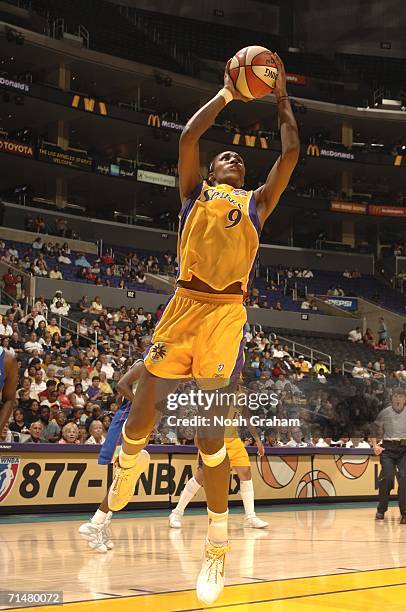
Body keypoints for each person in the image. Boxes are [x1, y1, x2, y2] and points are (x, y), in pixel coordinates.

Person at [106, 52, 299, 604]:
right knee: (142, 415)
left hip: (226, 314)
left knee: (210, 439)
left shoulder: (257, 203)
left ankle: (217, 546)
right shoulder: (195, 195)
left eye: (238, 156)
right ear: (211, 173)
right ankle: (128, 463)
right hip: (183, 305)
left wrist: (280, 93)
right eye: (225, 157)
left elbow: (289, 153)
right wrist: (228, 94)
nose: (232, 155)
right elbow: (189, 137)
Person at [169, 389, 268, 530]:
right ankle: (176, 513)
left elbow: (246, 416)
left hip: (233, 441)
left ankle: (250, 516)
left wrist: (257, 440)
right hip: (214, 441)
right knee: (200, 478)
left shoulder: (241, 396)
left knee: (246, 473)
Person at [372, 388, 406, 523]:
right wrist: (375, 445)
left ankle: (404, 512)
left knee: (404, 478)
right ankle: (381, 509)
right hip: (388, 448)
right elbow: (374, 429)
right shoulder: (384, 412)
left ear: (405, 399)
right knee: (386, 477)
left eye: (401, 396)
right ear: (391, 398)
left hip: (404, 449)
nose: (398, 399)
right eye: (395, 396)